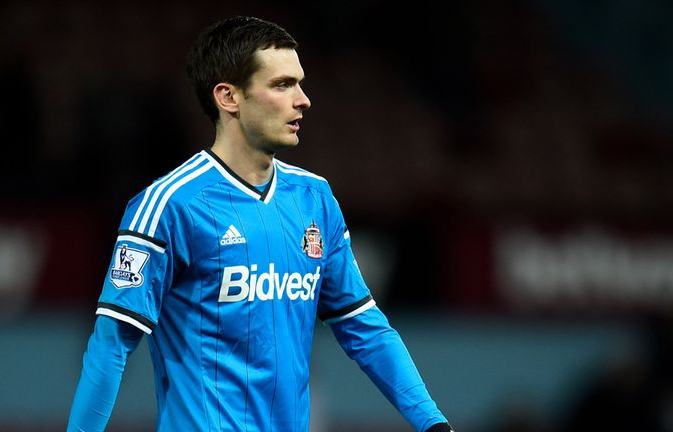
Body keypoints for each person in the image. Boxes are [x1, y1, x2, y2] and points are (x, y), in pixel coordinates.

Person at [67, 15, 454, 432]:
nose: (303, 99)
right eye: (283, 84)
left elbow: (365, 328)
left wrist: (432, 423)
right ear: (228, 97)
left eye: (300, 83)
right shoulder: (169, 205)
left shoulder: (315, 199)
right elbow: (111, 343)